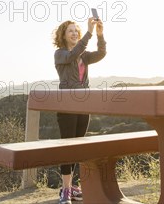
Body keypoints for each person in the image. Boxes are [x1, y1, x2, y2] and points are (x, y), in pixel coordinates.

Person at [52, 17, 106, 204]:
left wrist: (99, 34)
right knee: (67, 147)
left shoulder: (84, 55)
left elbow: (101, 53)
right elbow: (72, 55)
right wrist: (89, 33)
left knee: (77, 148)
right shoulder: (60, 54)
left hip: (84, 106)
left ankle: (72, 187)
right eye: (70, 31)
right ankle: (65, 190)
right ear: (63, 35)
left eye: (77, 30)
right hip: (67, 106)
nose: (75, 33)